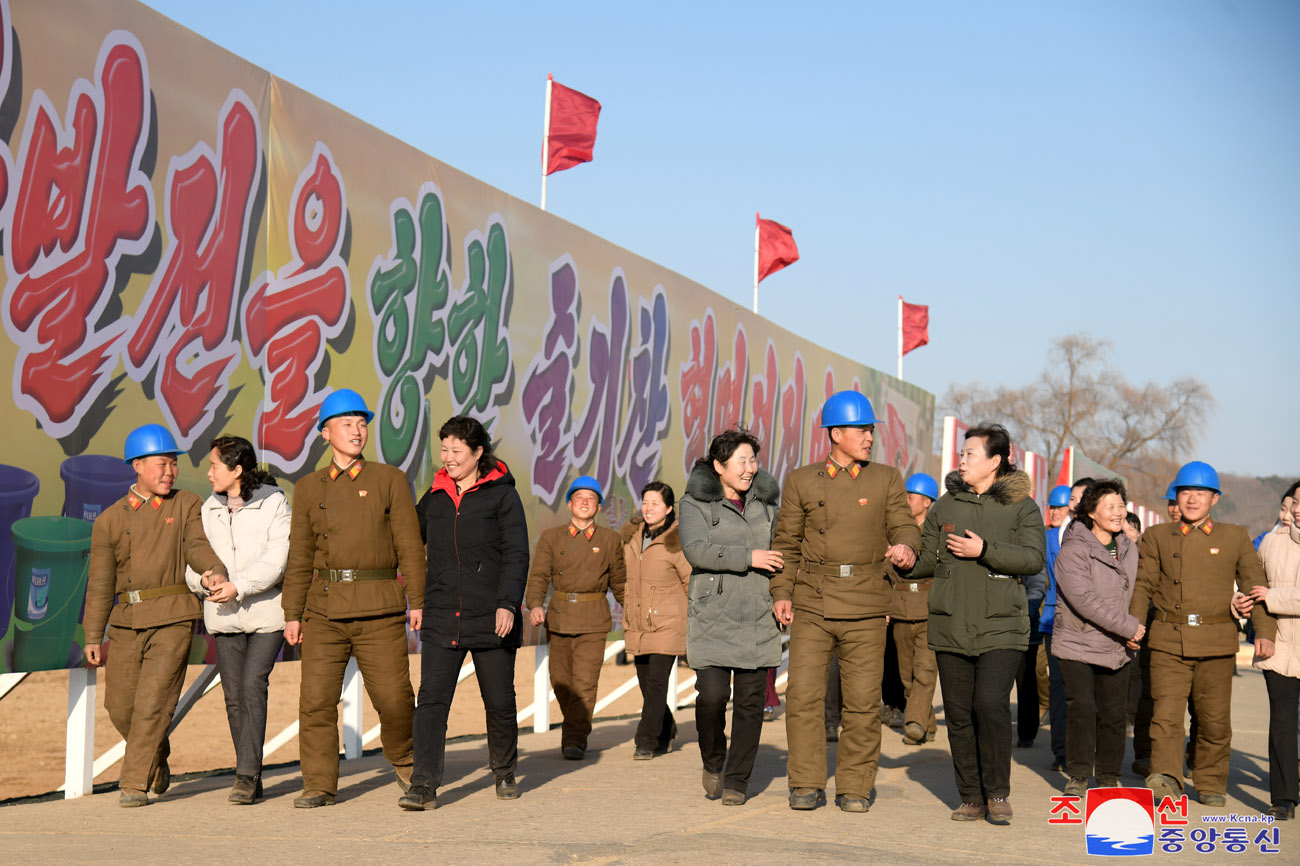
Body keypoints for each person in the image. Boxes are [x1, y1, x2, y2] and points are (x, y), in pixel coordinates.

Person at [771, 391, 920, 813]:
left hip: (867, 605)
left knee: (861, 701)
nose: (869, 437)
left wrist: (907, 549)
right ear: (835, 434)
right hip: (813, 604)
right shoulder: (801, 480)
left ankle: (854, 786)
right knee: (802, 697)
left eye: (871, 430)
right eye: (861, 429)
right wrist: (782, 592)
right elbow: (786, 542)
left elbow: (906, 527)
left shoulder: (887, 478)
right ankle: (805, 782)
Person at [282, 389, 426, 809]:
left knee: (395, 698)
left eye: (362, 424)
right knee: (315, 701)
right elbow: (300, 554)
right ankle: (319, 784)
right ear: (326, 433)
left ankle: (404, 757)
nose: (357, 431)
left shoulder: (389, 479)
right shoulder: (309, 488)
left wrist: (416, 600)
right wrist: (293, 613)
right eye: (347, 424)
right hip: (323, 607)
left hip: (379, 606)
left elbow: (410, 546)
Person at [83, 423, 228, 807]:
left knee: (153, 704)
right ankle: (155, 758)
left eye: (174, 464)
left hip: (173, 616)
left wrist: (212, 569)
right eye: (162, 464)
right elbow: (99, 583)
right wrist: (93, 636)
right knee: (119, 707)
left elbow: (197, 546)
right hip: (127, 623)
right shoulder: (110, 520)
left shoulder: (186, 505)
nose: (170, 472)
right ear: (137, 466)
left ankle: (132, 784)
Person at [911, 423, 1046, 825]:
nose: (962, 460)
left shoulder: (1022, 506)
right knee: (958, 713)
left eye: (971, 453)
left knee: (989, 704)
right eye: (962, 453)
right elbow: (926, 561)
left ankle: (998, 793)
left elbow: (1033, 559)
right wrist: (904, 561)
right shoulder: (945, 505)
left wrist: (985, 550)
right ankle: (970, 796)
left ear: (996, 460)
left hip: (1002, 623)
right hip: (951, 622)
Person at [1130, 460, 1276, 807]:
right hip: (1167, 639)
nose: (1192, 499)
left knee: (1213, 720)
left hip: (1217, 640)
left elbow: (1256, 585)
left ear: (1215, 498)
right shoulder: (1157, 536)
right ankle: (1166, 776)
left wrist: (1264, 632)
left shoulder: (1234, 536)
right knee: (1165, 715)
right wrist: (1135, 623)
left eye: (1201, 493)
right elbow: (1143, 585)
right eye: (1185, 492)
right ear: (1176, 498)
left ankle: (1210, 782)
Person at [401, 415, 529, 810]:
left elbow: (517, 554)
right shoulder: (436, 495)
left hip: (490, 615)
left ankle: (504, 771)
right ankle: (423, 785)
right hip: (443, 613)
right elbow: (408, 536)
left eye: (456, 451)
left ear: (477, 453)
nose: (448, 457)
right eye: (444, 449)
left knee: (499, 700)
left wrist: (507, 603)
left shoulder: (502, 495)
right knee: (432, 702)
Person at [679, 429, 783, 806]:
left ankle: (738, 780)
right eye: (742, 461)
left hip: (758, 610)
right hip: (713, 614)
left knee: (752, 702)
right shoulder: (694, 503)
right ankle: (713, 760)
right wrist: (749, 557)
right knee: (712, 697)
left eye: (753, 460)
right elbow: (695, 550)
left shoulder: (768, 503)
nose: (750, 468)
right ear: (719, 465)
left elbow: (784, 547)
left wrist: (784, 595)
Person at [184, 435, 291, 805]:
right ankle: (251, 771)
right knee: (233, 697)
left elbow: (277, 560)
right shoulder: (207, 508)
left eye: (215, 465)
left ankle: (245, 776)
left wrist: (238, 586)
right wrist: (204, 581)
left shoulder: (274, 503)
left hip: (267, 616)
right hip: (223, 617)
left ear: (237, 470)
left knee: (251, 686)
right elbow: (194, 561)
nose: (209, 472)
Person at [1051, 479, 1143, 797]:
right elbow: (1084, 600)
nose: (1118, 513)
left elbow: (1138, 593)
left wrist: (1136, 630)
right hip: (1077, 641)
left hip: (1117, 644)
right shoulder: (1074, 549)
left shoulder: (1130, 549)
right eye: (1110, 507)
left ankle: (1107, 775)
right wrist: (1129, 627)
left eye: (1121, 506)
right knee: (1081, 710)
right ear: (1091, 512)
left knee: (1114, 713)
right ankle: (1078, 774)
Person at [526, 475, 627, 760]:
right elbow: (538, 577)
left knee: (585, 682)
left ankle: (574, 738)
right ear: (569, 503)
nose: (584, 502)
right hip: (559, 617)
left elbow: (620, 583)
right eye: (579, 498)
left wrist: (631, 610)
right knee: (559, 679)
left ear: (598, 507)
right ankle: (576, 725)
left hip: (594, 619)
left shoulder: (610, 540)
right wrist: (534, 604)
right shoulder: (551, 537)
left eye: (591, 498)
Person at [1239, 487, 1300, 820]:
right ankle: (1284, 797)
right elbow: (1251, 583)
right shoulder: (1271, 542)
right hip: (1277, 648)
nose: (1298, 509)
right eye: (1297, 502)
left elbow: (1268, 593)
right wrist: (1242, 603)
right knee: (1282, 722)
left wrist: (1272, 596)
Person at [621, 481, 691, 759]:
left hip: (669, 623)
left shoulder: (677, 540)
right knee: (645, 681)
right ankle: (666, 728)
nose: (649, 508)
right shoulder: (632, 537)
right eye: (645, 502)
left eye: (656, 503)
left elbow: (690, 582)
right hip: (639, 622)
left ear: (669, 508)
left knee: (656, 683)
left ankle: (645, 740)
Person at [1039, 479, 1092, 771]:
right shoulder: (1049, 539)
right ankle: (1061, 752)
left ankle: (1086, 751)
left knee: (1087, 692)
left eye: (1082, 497)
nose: (1076, 501)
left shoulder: (1109, 538)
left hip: (1095, 626)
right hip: (1056, 620)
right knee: (1060, 688)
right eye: (1073, 497)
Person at [892, 472, 939, 746]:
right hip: (899, 608)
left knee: (924, 670)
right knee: (906, 675)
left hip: (928, 608)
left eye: (910, 497)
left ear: (926, 502)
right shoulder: (896, 530)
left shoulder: (937, 532)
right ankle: (927, 722)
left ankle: (914, 724)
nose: (906, 502)